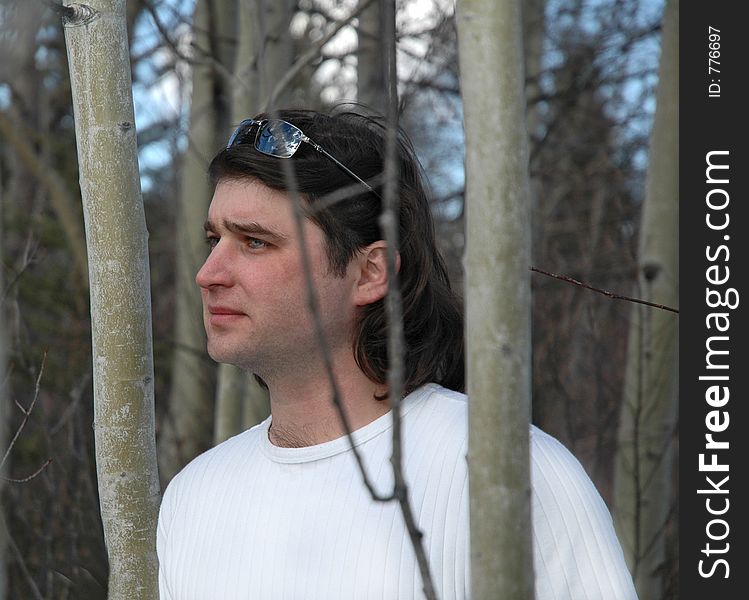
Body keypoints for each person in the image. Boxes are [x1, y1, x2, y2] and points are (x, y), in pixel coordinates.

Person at [157, 108, 638, 599]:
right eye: (215, 239)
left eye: (255, 242)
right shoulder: (194, 496)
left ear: (370, 272)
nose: (209, 273)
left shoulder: (513, 475)